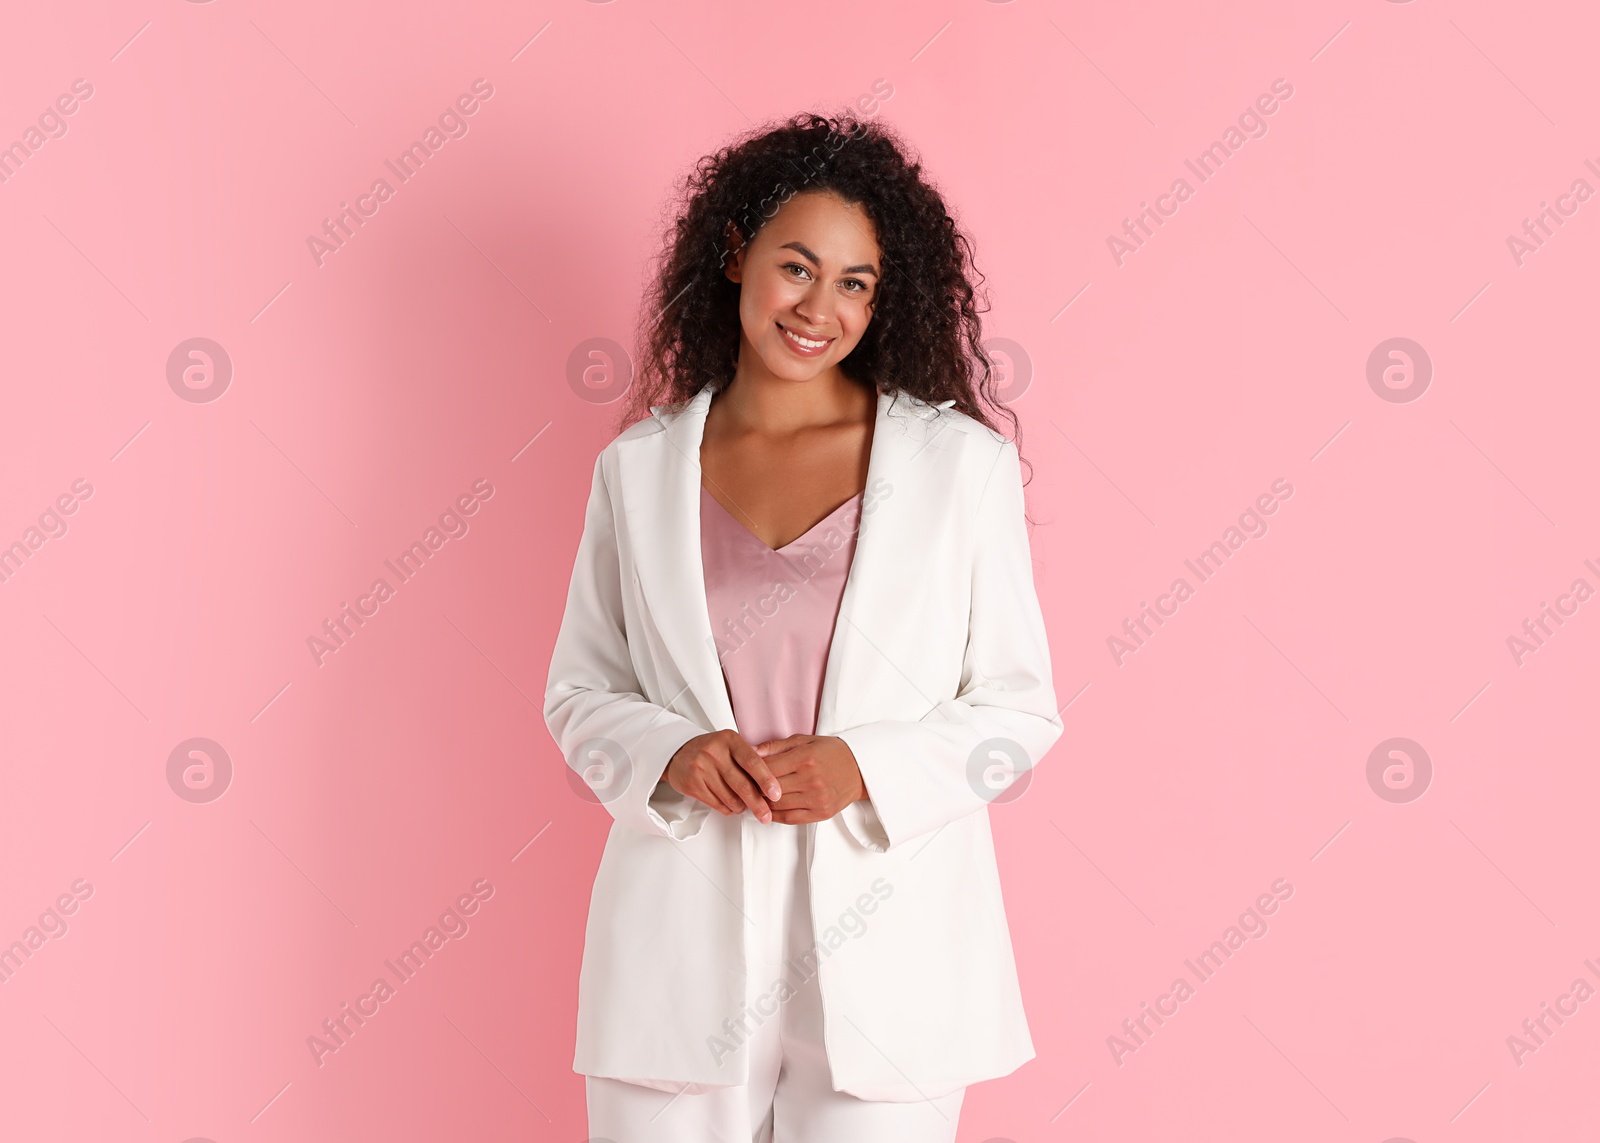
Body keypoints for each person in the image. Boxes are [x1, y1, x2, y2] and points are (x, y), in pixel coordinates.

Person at [543, 110, 1063, 1143]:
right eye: (795, 266)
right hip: (677, 953)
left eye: (854, 282)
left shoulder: (957, 469)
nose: (818, 307)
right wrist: (674, 752)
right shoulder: (638, 473)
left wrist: (862, 768)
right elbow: (580, 693)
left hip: (893, 957)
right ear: (735, 257)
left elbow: (1018, 710)